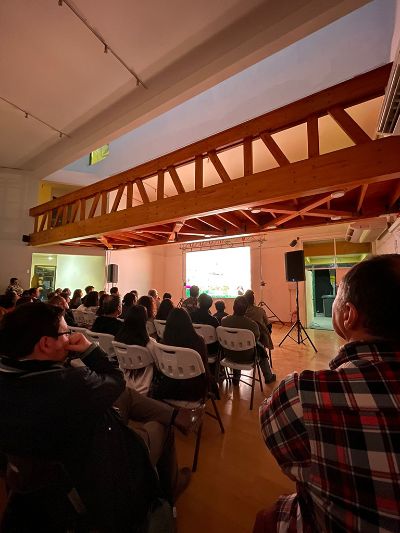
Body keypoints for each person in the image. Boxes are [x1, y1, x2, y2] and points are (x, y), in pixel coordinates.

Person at [0, 302, 195, 532]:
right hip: (101, 465)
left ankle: (174, 414)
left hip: (50, 465)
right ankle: (169, 490)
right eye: (66, 332)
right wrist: (89, 349)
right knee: (162, 427)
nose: (70, 336)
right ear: (45, 343)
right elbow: (116, 377)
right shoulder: (70, 385)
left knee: (126, 396)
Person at [257, 255, 400, 533]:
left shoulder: (304, 395)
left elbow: (276, 438)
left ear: (348, 314)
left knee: (267, 517)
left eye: (336, 297)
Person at [152, 308, 209, 402]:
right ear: (189, 322)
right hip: (193, 390)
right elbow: (204, 368)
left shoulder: (163, 344)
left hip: (169, 388)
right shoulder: (198, 342)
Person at [221, 296, 275, 384]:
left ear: (233, 307)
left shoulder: (224, 321)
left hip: (229, 354)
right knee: (260, 349)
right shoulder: (252, 325)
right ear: (246, 309)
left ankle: (236, 378)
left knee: (235, 344)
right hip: (248, 356)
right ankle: (268, 376)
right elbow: (256, 340)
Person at [115, 305, 155, 394]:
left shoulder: (117, 341)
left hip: (124, 384)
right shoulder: (150, 343)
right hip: (144, 386)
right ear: (145, 321)